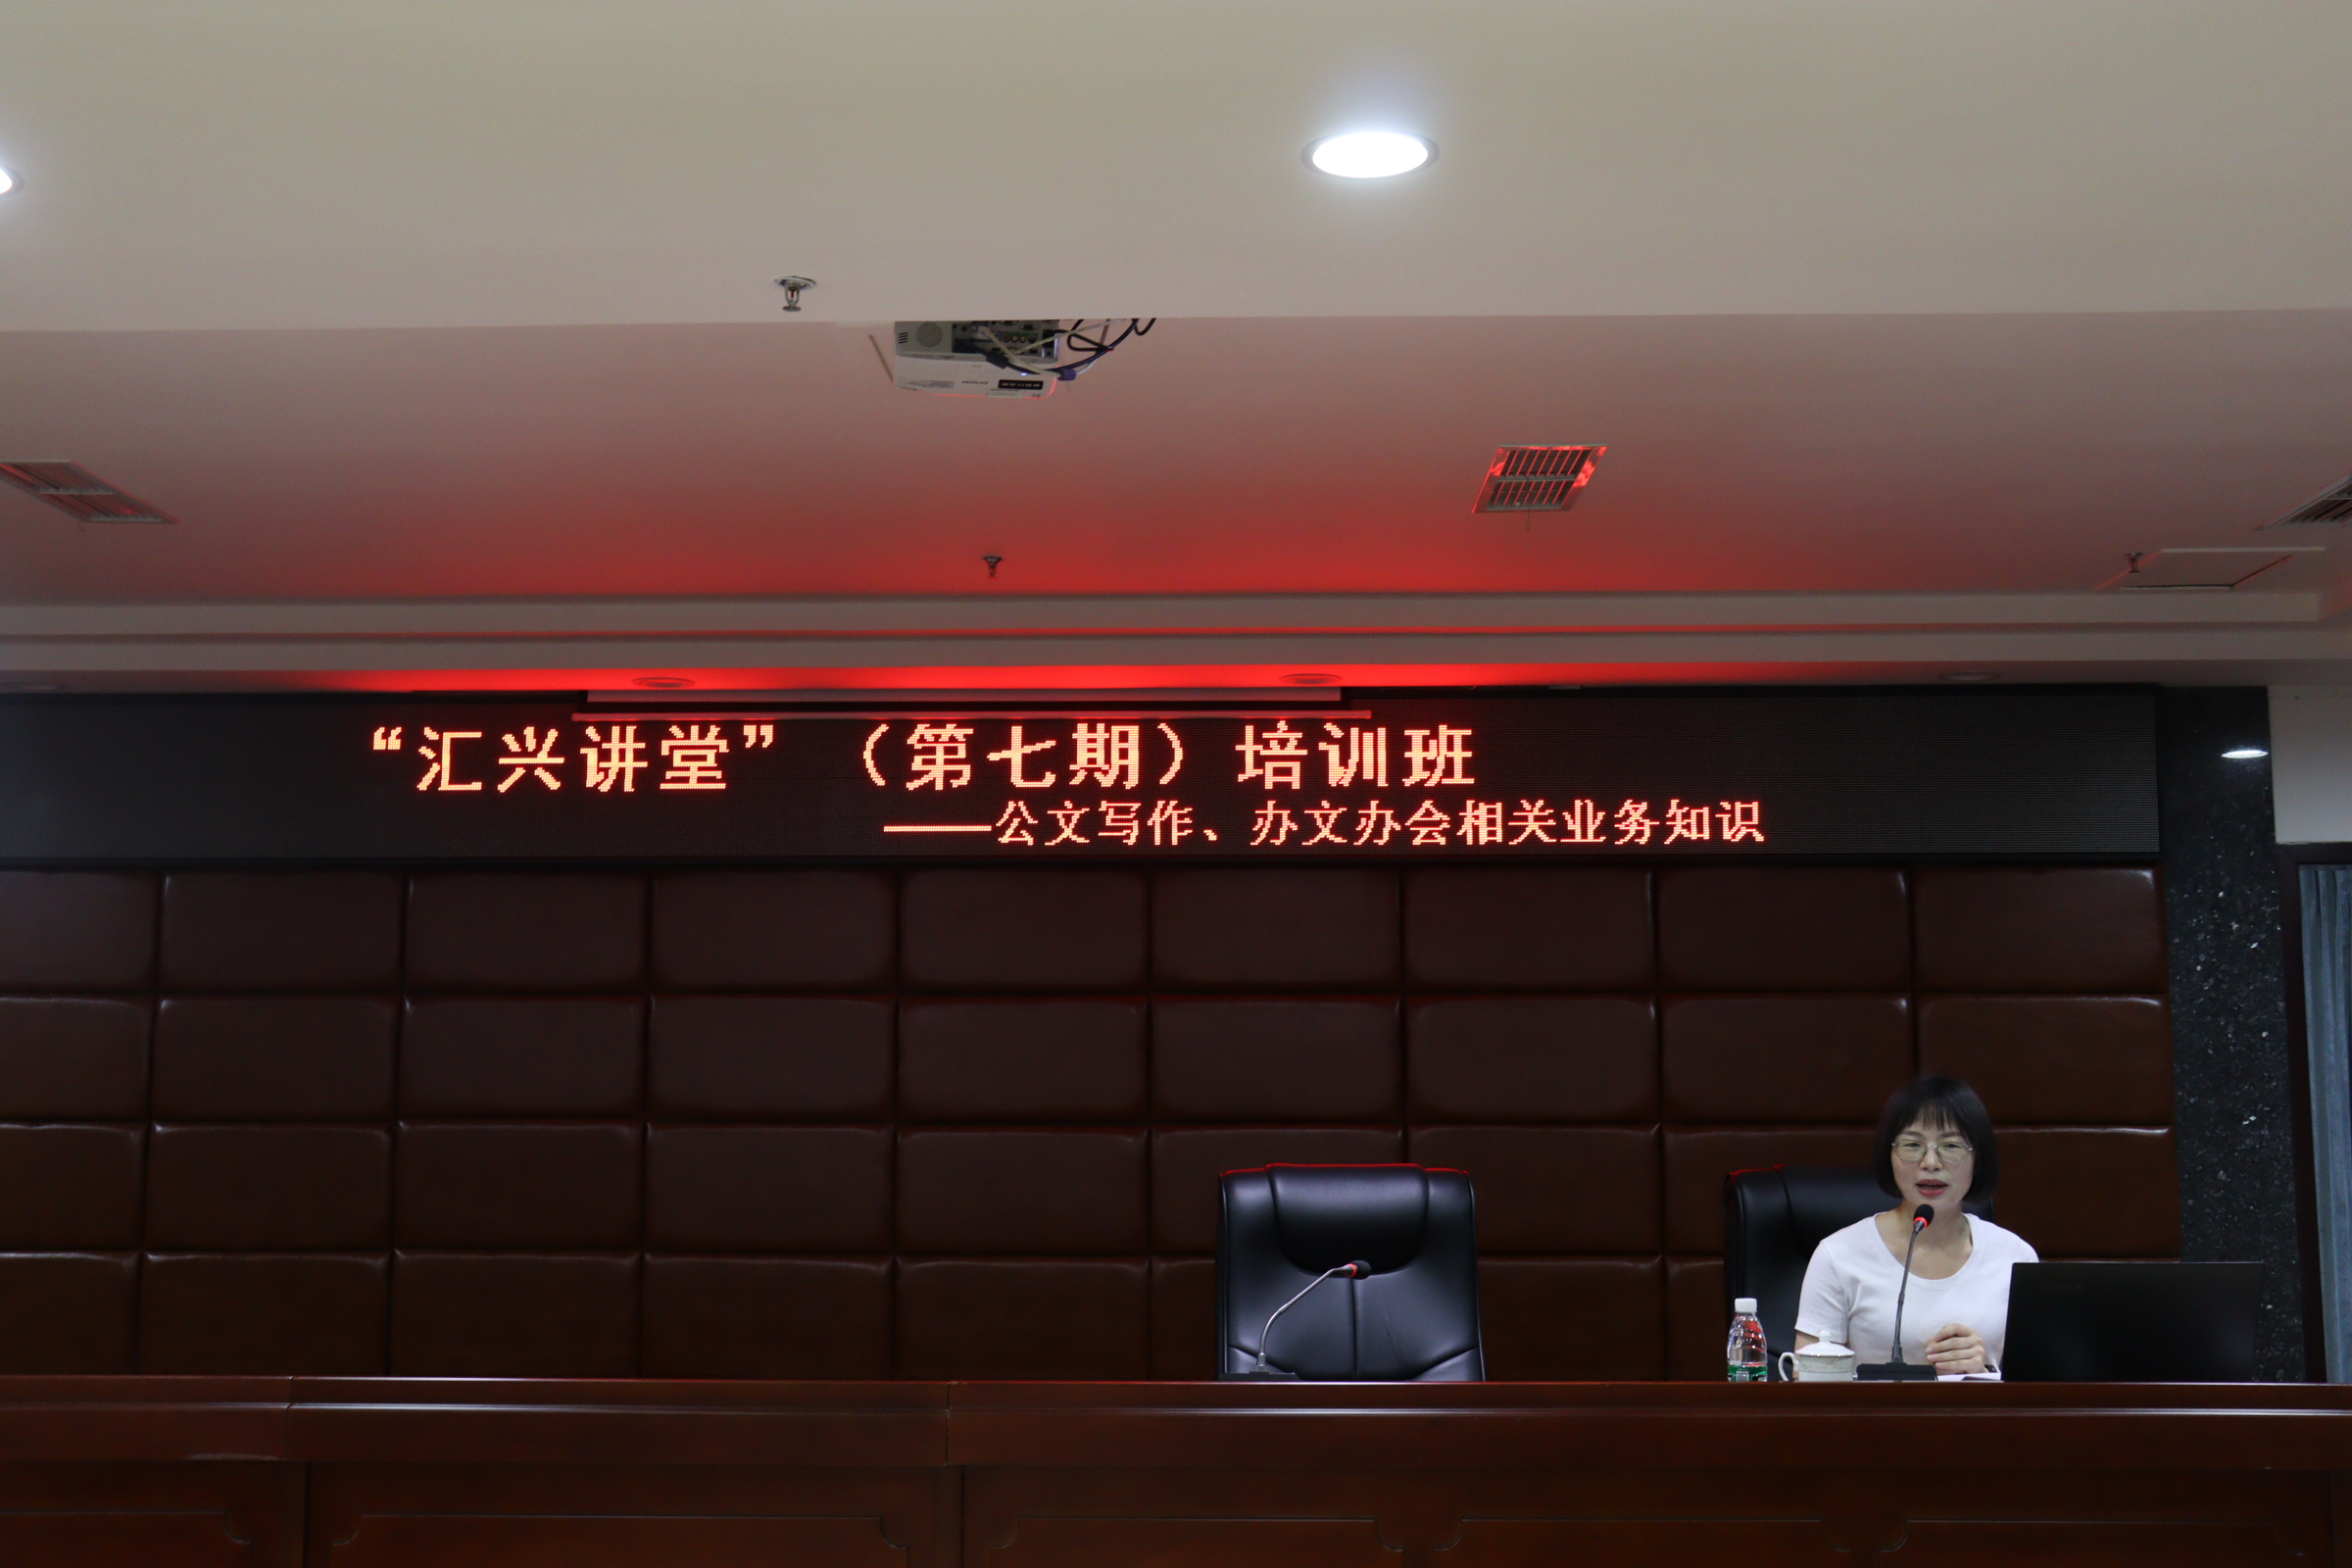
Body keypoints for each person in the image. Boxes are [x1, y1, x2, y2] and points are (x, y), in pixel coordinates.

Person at [1793, 1075, 2038, 1376]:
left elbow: (2038, 1385)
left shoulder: (2015, 1257)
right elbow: (1806, 1381)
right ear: (1889, 1155)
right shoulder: (1838, 1255)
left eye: (1951, 1145)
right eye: (1912, 1145)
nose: (1931, 1162)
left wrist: (1983, 1369)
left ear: (1978, 1157)